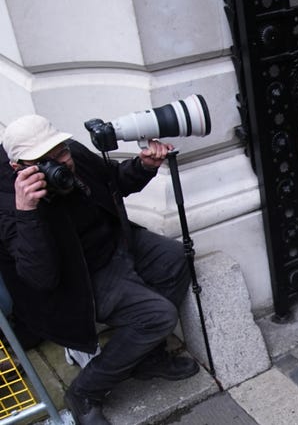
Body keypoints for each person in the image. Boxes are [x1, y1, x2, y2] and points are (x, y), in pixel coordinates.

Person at [0, 114, 200, 425]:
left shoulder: (72, 154)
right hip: (78, 278)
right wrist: (28, 211)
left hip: (115, 242)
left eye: (60, 153)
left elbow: (113, 179)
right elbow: (40, 276)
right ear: (19, 168)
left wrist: (143, 166)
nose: (59, 165)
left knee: (176, 257)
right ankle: (85, 391)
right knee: (158, 317)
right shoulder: (10, 204)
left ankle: (146, 356)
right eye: (44, 162)